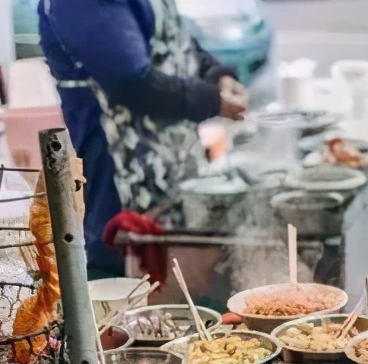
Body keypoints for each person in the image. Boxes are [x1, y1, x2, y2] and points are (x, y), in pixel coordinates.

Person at [38, 0, 248, 279]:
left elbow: (173, 42)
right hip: (121, 168)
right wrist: (210, 100)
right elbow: (130, 81)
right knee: (122, 262)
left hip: (172, 162)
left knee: (173, 263)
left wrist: (217, 75)